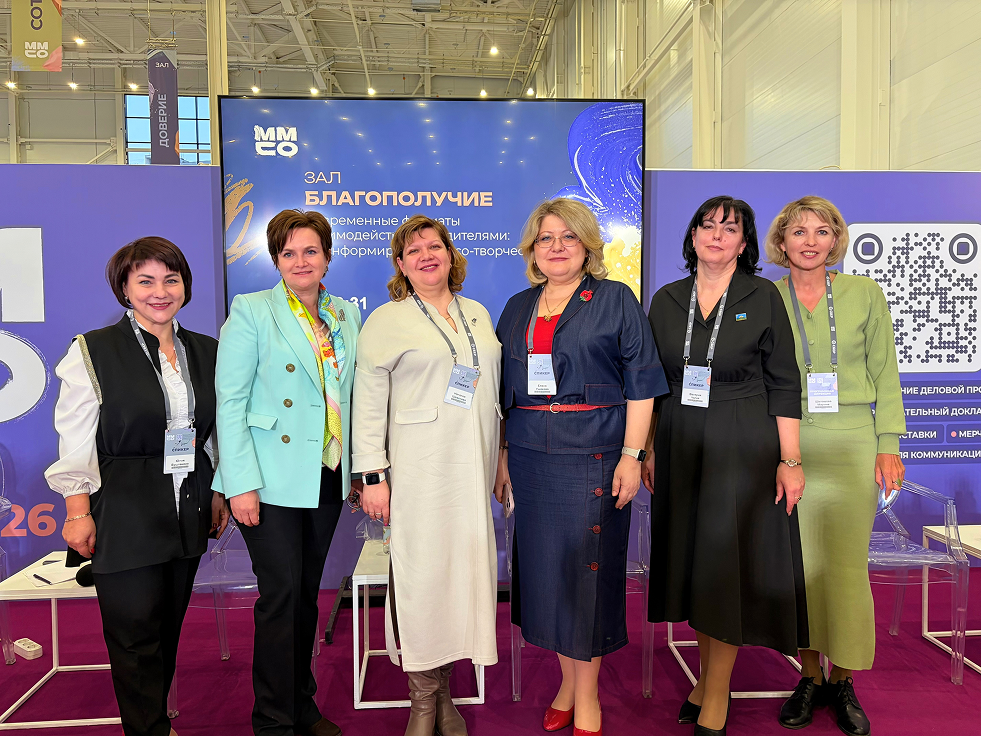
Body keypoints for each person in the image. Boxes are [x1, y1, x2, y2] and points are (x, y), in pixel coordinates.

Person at [494, 198, 667, 736]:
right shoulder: (517, 306)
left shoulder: (616, 299)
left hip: (595, 455)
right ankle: (567, 685)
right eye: (546, 238)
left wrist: (633, 456)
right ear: (532, 250)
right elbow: (503, 393)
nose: (557, 247)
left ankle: (586, 696)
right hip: (530, 457)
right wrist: (503, 454)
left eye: (568, 237)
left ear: (588, 246)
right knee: (548, 578)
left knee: (585, 578)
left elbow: (642, 385)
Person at [45, 237, 227, 736]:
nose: (159, 292)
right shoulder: (93, 350)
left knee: (166, 629)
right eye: (145, 281)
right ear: (124, 289)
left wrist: (216, 491)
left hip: (188, 504)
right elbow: (75, 436)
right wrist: (77, 511)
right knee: (133, 635)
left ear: (185, 286)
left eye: (171, 279)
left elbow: (213, 432)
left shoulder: (207, 351)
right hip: (123, 506)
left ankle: (154, 723)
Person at [643, 196, 808, 736]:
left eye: (729, 228)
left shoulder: (763, 296)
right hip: (680, 439)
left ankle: (717, 690)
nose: (717, 235)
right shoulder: (667, 299)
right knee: (695, 566)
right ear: (692, 236)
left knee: (725, 570)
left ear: (744, 243)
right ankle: (705, 679)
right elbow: (649, 382)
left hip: (742, 440)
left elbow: (784, 382)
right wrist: (647, 447)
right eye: (707, 225)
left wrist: (789, 459)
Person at [213, 209, 361, 736]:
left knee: (306, 592)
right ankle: (273, 721)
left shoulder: (344, 313)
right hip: (268, 477)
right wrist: (240, 485)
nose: (301, 261)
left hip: (325, 472)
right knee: (281, 596)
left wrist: (359, 470)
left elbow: (353, 395)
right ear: (276, 260)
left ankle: (303, 705)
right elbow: (230, 402)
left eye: (310, 251)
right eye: (289, 252)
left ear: (327, 257)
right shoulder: (252, 310)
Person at [351, 215, 500, 736]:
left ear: (450, 254)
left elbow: (493, 393)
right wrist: (373, 476)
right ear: (400, 264)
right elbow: (368, 403)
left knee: (460, 578)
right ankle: (422, 701)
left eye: (434, 246)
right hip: (417, 472)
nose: (426, 256)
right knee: (420, 580)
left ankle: (446, 693)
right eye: (413, 251)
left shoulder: (477, 313)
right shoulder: (385, 320)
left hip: (472, 471)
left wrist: (501, 456)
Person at [766, 196, 905, 736]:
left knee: (845, 568)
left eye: (821, 231)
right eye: (798, 231)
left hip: (851, 444)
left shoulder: (864, 293)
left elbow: (885, 372)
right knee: (800, 568)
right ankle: (809, 676)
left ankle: (843, 678)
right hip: (788, 444)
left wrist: (887, 442)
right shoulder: (766, 296)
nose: (810, 241)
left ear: (835, 240)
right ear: (782, 241)